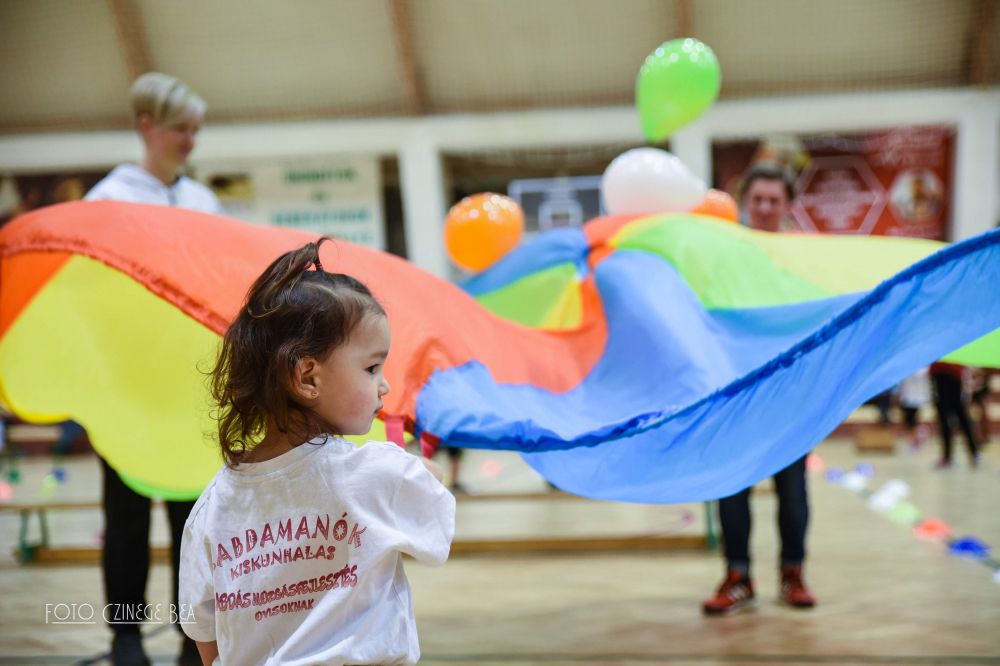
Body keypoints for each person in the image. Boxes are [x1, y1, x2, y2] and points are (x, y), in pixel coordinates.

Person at [180, 238, 455, 665]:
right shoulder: (375, 473)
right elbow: (433, 506)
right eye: (371, 368)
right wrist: (420, 468)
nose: (383, 386)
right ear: (307, 377)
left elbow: (206, 639)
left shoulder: (210, 508)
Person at [84, 72, 221, 666]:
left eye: (195, 129)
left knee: (195, 517)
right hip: (126, 386)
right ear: (146, 126)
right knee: (126, 511)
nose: (191, 140)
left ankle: (194, 635)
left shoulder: (202, 200)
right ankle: (126, 633)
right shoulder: (107, 200)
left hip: (189, 384)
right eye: (180, 129)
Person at [702, 163, 817, 615]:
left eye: (774, 200)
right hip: (738, 393)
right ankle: (738, 575)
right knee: (732, 487)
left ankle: (793, 572)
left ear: (787, 206)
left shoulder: (803, 258)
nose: (766, 207)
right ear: (746, 204)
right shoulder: (725, 256)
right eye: (758, 200)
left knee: (793, 490)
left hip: (790, 396)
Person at [929, 361, 981, 468]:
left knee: (961, 418)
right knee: (945, 420)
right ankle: (948, 456)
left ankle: (974, 452)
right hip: (941, 376)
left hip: (953, 376)